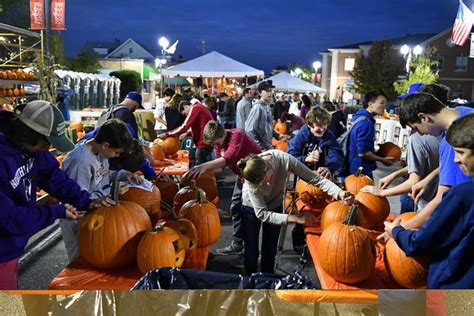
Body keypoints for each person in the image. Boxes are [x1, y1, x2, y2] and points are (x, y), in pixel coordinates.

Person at [0, 101, 104, 289]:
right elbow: (9, 218)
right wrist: (55, 212)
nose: (48, 148)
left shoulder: (32, 150)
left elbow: (52, 176)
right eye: (46, 143)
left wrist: (86, 201)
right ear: (29, 135)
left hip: (10, 248)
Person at [384, 113, 474, 289]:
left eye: (461, 153)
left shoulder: (462, 196)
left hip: (454, 290)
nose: (455, 160)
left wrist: (396, 231)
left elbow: (420, 243)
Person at [237, 150, 353, 275]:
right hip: (251, 207)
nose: (268, 183)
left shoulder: (285, 160)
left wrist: (339, 193)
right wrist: (295, 218)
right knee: (251, 250)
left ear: (268, 166)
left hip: (274, 203)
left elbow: (316, 179)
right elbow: (263, 214)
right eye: (262, 184)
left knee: (270, 249)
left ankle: (267, 280)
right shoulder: (250, 180)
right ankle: (249, 283)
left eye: (268, 178)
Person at [61, 119, 140, 262]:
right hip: (78, 220)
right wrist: (110, 192)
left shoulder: (100, 153)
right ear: (106, 145)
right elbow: (76, 199)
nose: (117, 156)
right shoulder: (80, 161)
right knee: (81, 262)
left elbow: (103, 175)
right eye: (116, 152)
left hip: (95, 215)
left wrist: (122, 175)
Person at [396, 91, 474, 230]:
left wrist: (399, 232)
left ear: (424, 117)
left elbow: (441, 200)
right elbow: (452, 165)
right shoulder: (466, 113)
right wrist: (430, 177)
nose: (419, 133)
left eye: (416, 128)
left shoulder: (451, 143)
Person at [185, 121, 262, 262]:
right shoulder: (218, 143)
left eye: (217, 143)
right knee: (236, 207)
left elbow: (228, 159)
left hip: (256, 176)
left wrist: (203, 166)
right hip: (242, 176)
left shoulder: (236, 135)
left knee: (250, 214)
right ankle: (238, 244)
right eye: (213, 145)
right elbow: (220, 167)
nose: (216, 147)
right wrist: (202, 175)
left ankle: (250, 255)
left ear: (224, 134)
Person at [347, 90, 394, 178]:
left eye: (385, 104)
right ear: (370, 104)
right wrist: (383, 160)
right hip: (360, 170)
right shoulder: (366, 123)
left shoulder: (360, 118)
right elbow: (363, 153)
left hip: (355, 167)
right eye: (382, 103)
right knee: (362, 190)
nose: (384, 107)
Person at [287, 106, 343, 179]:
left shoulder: (329, 136)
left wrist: (329, 168)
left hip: (321, 177)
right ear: (309, 124)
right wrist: (306, 159)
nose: (322, 129)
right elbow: (290, 158)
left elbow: (336, 154)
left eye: (325, 125)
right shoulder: (300, 136)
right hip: (301, 178)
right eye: (318, 125)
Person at [159, 99, 214, 165]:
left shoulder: (195, 108)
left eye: (186, 113)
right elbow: (201, 125)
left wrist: (167, 134)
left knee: (200, 165)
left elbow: (184, 126)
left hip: (203, 142)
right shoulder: (200, 107)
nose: (187, 115)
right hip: (207, 140)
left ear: (186, 107)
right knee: (206, 164)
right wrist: (188, 133)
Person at [245, 80, 285, 150]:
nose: (270, 93)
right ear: (260, 93)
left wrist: (277, 135)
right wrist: (260, 147)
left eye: (270, 91)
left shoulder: (267, 107)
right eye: (267, 91)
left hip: (267, 146)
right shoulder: (257, 108)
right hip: (261, 150)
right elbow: (249, 130)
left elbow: (268, 126)